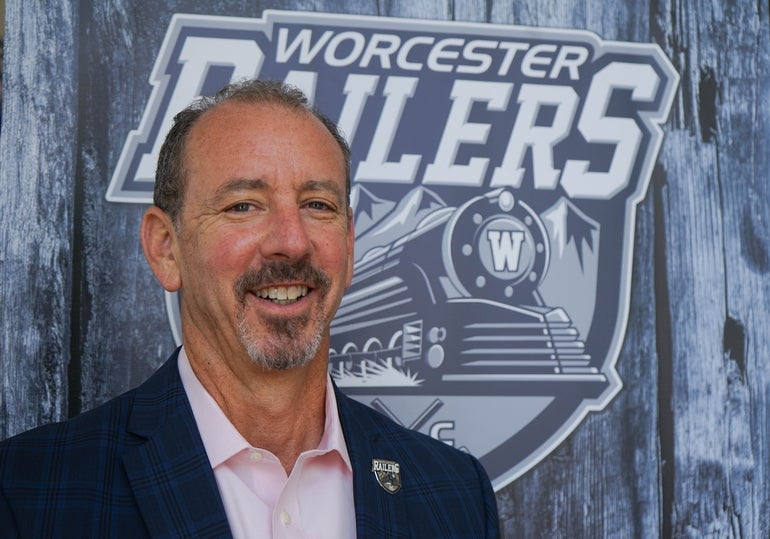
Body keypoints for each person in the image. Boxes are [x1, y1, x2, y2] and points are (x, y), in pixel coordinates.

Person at [0, 79, 500, 538]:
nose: (291, 242)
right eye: (243, 205)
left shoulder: (455, 494)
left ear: (348, 244)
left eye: (318, 205)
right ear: (166, 248)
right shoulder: (29, 491)